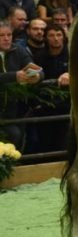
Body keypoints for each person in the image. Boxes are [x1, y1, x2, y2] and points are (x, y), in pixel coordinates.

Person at [0, 19, 41, 148]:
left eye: (9, 35)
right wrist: (13, 76)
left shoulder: (18, 50)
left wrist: (37, 76)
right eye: (1, 35)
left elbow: (35, 68)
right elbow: (13, 76)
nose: (6, 39)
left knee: (16, 137)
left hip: (13, 112)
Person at [30, 23, 71, 154]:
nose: (56, 38)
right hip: (45, 106)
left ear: (64, 37)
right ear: (46, 38)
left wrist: (71, 74)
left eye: (59, 35)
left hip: (67, 105)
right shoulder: (39, 56)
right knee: (45, 143)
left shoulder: (72, 54)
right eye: (51, 35)